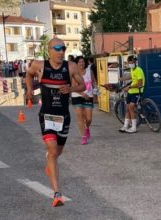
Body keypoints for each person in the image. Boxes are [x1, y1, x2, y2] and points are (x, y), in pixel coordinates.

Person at [26, 38, 85, 207]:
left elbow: (83, 86)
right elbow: (29, 75)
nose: (61, 52)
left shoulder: (71, 67)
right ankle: (57, 194)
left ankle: (50, 164)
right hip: (47, 115)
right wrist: (30, 89)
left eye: (63, 48)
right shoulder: (40, 65)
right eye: (57, 48)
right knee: (52, 150)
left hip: (63, 116)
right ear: (49, 50)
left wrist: (71, 89)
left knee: (57, 152)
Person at [71, 56, 97, 145]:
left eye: (82, 62)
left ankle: (87, 128)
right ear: (76, 63)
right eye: (79, 62)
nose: (81, 64)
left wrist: (96, 88)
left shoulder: (89, 71)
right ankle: (83, 136)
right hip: (77, 95)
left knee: (88, 118)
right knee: (80, 115)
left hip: (89, 96)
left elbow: (94, 81)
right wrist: (82, 94)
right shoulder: (74, 73)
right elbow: (73, 86)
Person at [119, 55, 145, 133]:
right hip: (131, 92)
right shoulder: (132, 69)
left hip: (137, 92)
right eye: (129, 62)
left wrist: (129, 87)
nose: (130, 64)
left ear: (134, 62)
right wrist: (124, 78)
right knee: (127, 109)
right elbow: (133, 77)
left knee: (130, 108)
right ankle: (125, 126)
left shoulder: (139, 70)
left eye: (132, 62)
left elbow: (139, 83)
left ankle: (134, 128)